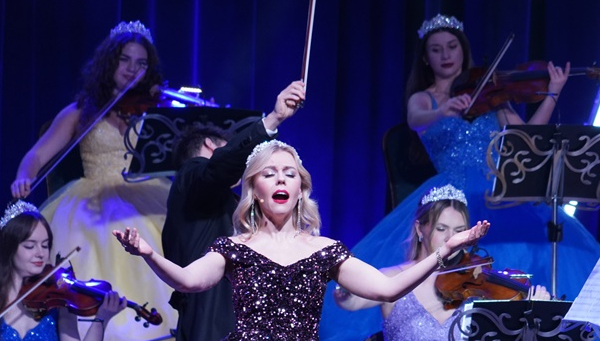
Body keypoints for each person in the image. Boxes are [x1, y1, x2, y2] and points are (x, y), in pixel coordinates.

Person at [319, 14, 600, 340]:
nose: (446, 55)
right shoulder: (424, 98)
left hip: (498, 192)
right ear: (426, 58)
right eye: (436, 49)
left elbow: (526, 134)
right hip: (451, 192)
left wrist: (553, 92)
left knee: (528, 254)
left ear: (463, 50)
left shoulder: (490, 94)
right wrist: (445, 108)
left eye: (452, 46)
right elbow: (416, 119)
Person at [113, 140, 491, 340]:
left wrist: (443, 251)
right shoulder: (235, 247)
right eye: (270, 173)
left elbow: (388, 288)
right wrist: (148, 253)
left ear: (300, 189)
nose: (281, 179)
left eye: (289, 173)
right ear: (255, 190)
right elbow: (188, 281)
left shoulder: (324, 251)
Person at [10, 21, 177, 340]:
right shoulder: (81, 111)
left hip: (148, 193)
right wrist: (23, 177)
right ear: (109, 63)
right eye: (124, 60)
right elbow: (36, 156)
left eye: (141, 63)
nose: (132, 69)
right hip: (92, 197)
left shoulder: (155, 111)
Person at [162, 80, 306, 341]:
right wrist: (273, 119)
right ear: (210, 146)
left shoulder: (228, 202)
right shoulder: (190, 177)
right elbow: (220, 167)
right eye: (228, 147)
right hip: (214, 327)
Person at [333, 184, 550, 341]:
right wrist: (346, 288)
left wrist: (532, 310)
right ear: (420, 229)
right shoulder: (394, 277)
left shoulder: (476, 281)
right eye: (441, 228)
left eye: (459, 231)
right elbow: (350, 303)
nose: (451, 239)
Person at [0, 201, 126, 341]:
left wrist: (102, 319)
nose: (41, 253)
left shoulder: (58, 302)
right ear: (9, 249)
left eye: (45, 245)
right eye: (30, 246)